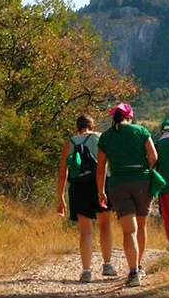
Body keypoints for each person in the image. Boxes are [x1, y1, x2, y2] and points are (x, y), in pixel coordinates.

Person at [96, 103, 158, 287]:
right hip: (142, 180)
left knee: (129, 230)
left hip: (118, 183)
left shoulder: (106, 136)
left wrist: (101, 191)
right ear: (129, 116)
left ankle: (133, 272)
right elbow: (153, 157)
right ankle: (139, 264)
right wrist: (145, 168)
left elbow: (101, 168)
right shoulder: (141, 131)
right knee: (141, 224)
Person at [57, 115, 117, 283]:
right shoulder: (100, 138)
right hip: (101, 183)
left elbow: (63, 173)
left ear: (77, 128)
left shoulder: (70, 142)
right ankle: (107, 264)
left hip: (78, 187)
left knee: (86, 231)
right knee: (105, 225)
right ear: (92, 125)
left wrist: (60, 196)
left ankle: (86, 271)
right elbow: (108, 163)